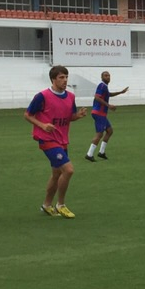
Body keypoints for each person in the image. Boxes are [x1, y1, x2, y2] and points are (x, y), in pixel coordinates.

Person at [25, 65, 88, 218]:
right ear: (53, 79)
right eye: (61, 77)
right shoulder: (42, 96)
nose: (65, 80)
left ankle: (46, 205)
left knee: (56, 174)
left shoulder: (70, 97)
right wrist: (42, 125)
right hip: (47, 139)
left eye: (66, 77)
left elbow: (69, 117)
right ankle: (61, 205)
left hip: (62, 140)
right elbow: (27, 115)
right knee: (68, 170)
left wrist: (77, 116)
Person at [86, 70, 129, 161]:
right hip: (99, 113)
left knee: (110, 131)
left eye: (109, 75)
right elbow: (97, 97)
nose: (108, 77)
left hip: (101, 114)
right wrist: (108, 105)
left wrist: (121, 92)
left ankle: (101, 152)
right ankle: (89, 154)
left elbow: (108, 95)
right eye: (106, 75)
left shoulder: (105, 87)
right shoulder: (101, 85)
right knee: (99, 134)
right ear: (102, 77)